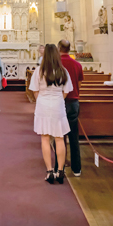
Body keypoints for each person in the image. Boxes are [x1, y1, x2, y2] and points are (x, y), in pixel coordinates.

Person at [29, 44, 73, 184]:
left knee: (45, 138)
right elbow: (66, 91)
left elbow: (35, 90)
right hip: (58, 105)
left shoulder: (39, 71)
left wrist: (42, 100)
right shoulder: (63, 71)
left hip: (43, 105)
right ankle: (60, 171)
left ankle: (49, 171)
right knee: (59, 138)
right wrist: (58, 100)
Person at [58, 39, 85, 177]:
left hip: (59, 103)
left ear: (58, 48)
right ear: (70, 49)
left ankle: (59, 167)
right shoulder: (77, 64)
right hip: (73, 102)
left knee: (59, 137)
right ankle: (76, 169)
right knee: (74, 136)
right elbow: (79, 84)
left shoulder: (56, 65)